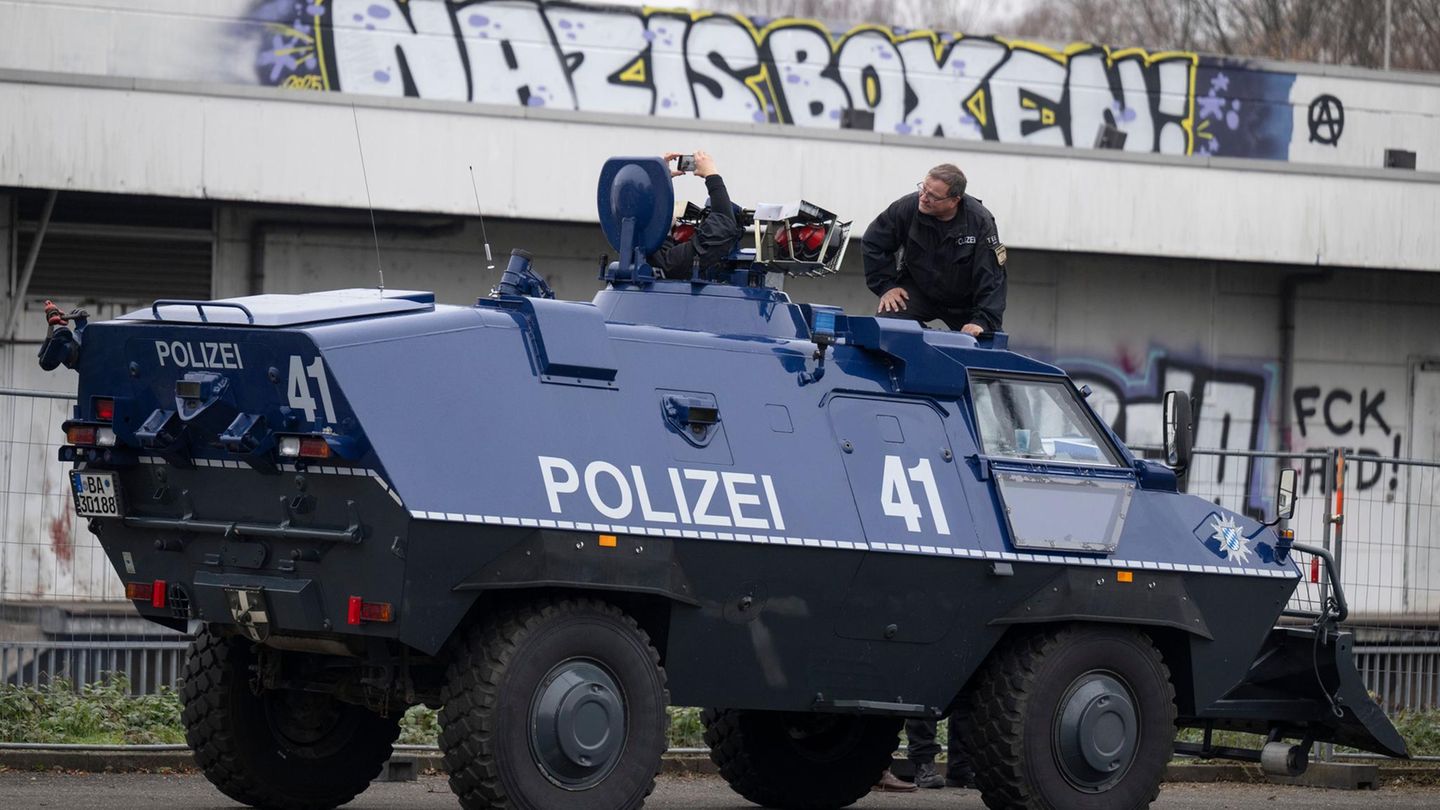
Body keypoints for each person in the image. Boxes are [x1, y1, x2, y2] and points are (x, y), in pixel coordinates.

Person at [861, 164, 1007, 337]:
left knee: (986, 341)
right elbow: (873, 242)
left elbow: (991, 277)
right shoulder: (906, 207)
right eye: (923, 189)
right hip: (918, 289)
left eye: (933, 196)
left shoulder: (980, 222)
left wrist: (983, 321)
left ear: (954, 200)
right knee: (888, 325)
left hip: (965, 302)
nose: (923, 198)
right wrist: (886, 286)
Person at [647, 150, 742, 279]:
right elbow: (722, 226)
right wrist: (711, 174)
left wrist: (659, 183)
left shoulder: (641, 251)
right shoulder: (669, 264)